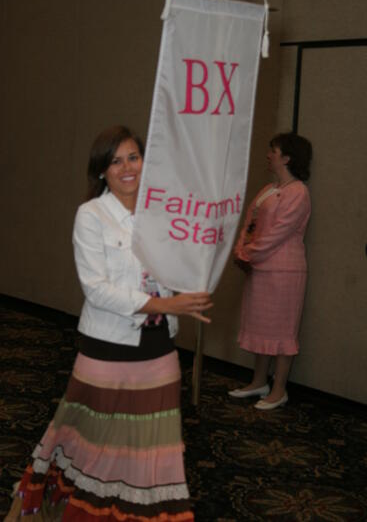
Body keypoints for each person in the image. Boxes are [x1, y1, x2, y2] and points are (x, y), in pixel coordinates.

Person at [6, 125, 213, 521]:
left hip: (159, 348)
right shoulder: (91, 215)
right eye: (115, 161)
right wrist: (167, 304)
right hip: (107, 349)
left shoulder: (163, 212)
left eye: (133, 157)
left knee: (153, 452)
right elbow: (96, 290)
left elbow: (176, 272)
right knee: (95, 447)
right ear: (102, 170)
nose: (126, 167)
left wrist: (193, 282)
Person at [228, 132, 312, 410]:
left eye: (272, 150)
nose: (268, 155)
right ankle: (259, 382)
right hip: (261, 269)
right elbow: (250, 223)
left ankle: (279, 390)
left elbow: (277, 234)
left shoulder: (298, 192)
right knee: (261, 327)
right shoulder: (268, 189)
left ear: (287, 157)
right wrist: (242, 248)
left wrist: (246, 254)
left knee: (282, 331)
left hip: (284, 273)